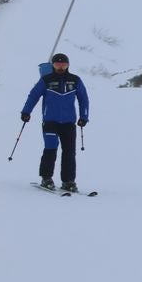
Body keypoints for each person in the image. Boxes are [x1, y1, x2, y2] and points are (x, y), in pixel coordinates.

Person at [20, 52, 90, 192]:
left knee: (69, 152)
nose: (60, 67)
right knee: (50, 149)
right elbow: (34, 96)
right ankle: (46, 178)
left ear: (68, 65)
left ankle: (68, 181)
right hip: (50, 122)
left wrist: (84, 116)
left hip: (69, 123)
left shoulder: (75, 80)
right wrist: (26, 112)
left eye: (63, 64)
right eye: (57, 64)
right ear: (53, 65)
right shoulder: (46, 80)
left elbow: (83, 99)